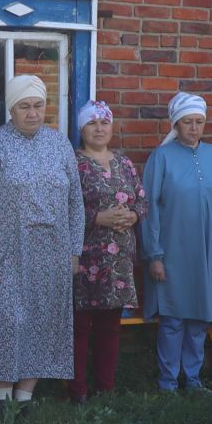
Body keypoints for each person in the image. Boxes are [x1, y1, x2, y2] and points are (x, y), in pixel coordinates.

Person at [0, 75, 83, 407]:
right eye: (24, 107)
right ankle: (2, 397)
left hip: (53, 251)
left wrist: (74, 250)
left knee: (43, 319)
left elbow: (76, 201)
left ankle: (25, 397)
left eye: (38, 106)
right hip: (7, 252)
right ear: (11, 110)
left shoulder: (59, 144)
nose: (33, 113)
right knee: (8, 321)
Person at [141, 93, 212, 393]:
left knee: (199, 318)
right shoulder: (162, 157)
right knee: (173, 319)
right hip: (172, 251)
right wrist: (154, 255)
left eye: (199, 122)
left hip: (209, 253)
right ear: (176, 124)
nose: (194, 128)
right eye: (187, 122)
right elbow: (149, 209)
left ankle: (194, 380)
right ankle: (168, 382)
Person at [72, 100, 146, 402]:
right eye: (92, 123)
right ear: (82, 128)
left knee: (109, 326)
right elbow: (63, 206)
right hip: (85, 255)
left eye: (104, 122)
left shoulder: (125, 163)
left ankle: (106, 388)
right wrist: (96, 217)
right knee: (79, 325)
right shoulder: (72, 162)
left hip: (118, 259)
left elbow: (141, 199)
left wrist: (134, 216)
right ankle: (76, 391)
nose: (99, 128)